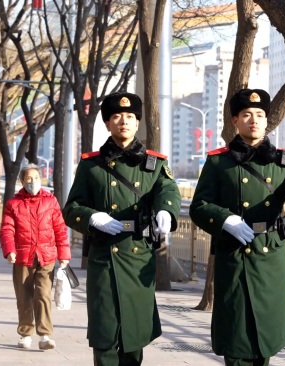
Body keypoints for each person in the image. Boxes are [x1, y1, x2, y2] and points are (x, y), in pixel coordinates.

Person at [189, 88, 285, 366]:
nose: (254, 120)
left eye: (260, 114)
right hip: (234, 255)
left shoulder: (283, 161)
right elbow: (199, 206)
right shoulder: (219, 162)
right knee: (236, 333)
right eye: (247, 114)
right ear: (235, 121)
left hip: (269, 256)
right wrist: (226, 220)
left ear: (267, 121)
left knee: (266, 336)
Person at [63, 92, 181, 365]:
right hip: (104, 256)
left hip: (138, 256)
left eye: (129, 117)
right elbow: (71, 209)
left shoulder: (154, 164)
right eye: (116, 116)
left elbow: (168, 191)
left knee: (134, 335)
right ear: (107, 123)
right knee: (104, 333)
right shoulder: (92, 164)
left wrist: (166, 210)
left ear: (137, 122)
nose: (123, 122)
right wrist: (93, 218)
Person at [0, 164, 71, 350]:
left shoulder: (51, 201)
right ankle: (25, 333)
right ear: (22, 181)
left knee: (43, 294)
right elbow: (7, 229)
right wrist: (9, 250)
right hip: (23, 257)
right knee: (24, 297)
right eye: (29, 179)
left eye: (36, 178)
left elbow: (60, 229)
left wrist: (64, 254)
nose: (33, 182)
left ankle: (45, 335)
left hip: (46, 256)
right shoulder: (13, 204)